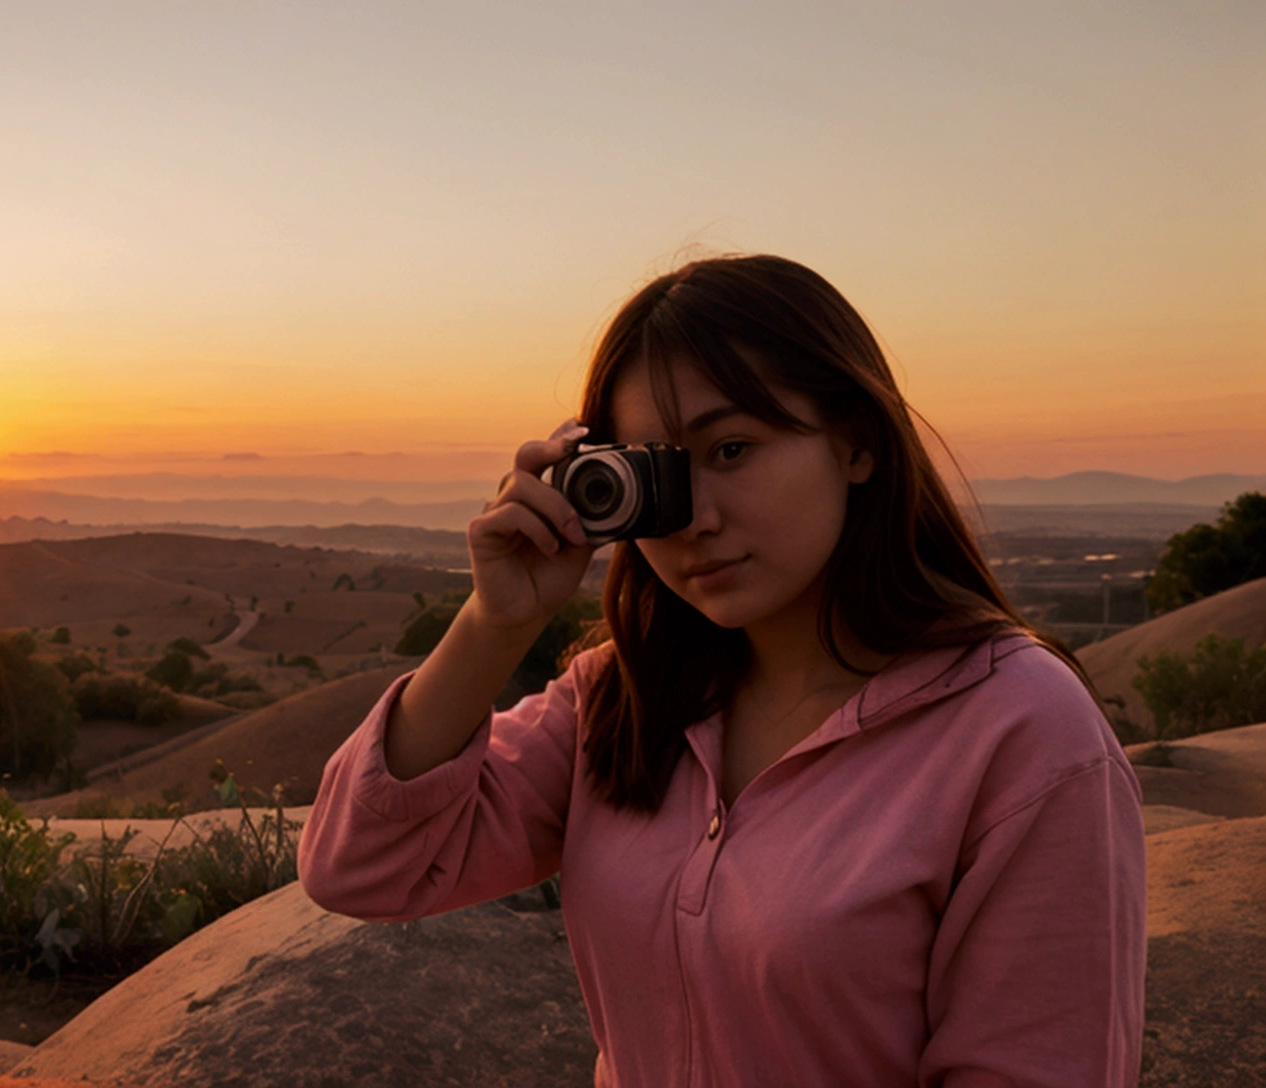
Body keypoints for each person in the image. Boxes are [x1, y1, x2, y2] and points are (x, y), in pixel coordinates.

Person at [296, 254, 1147, 1086]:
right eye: (655, 475)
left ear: (855, 443)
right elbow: (360, 867)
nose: (694, 518)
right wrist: (495, 623)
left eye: (732, 449)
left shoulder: (1018, 730)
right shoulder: (622, 699)